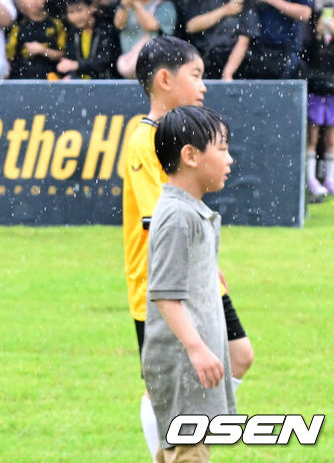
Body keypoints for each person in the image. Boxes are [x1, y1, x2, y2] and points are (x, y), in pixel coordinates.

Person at [121, 36, 252, 459]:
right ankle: (174, 442)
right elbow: (160, 216)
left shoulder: (182, 137)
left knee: (239, 356)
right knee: (171, 387)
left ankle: (186, 436)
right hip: (161, 291)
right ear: (164, 80)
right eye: (196, 75)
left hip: (198, 281)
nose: (204, 84)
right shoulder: (146, 141)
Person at [144, 105, 236, 461]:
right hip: (183, 365)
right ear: (190, 156)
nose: (229, 159)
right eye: (222, 148)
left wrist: (208, 270)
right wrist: (197, 349)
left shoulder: (191, 210)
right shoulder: (179, 215)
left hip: (191, 362)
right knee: (189, 451)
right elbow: (164, 295)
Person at [184, 0, 258, 79]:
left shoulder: (246, 2)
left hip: (234, 65)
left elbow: (243, 41)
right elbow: (191, 26)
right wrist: (224, 10)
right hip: (203, 63)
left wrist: (228, 73)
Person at [302, 5, 334, 197]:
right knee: (312, 137)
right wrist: (318, 39)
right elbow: (308, 60)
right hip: (316, 92)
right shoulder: (312, 41)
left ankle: (330, 179)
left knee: (332, 138)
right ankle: (311, 179)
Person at [114, 0, 177, 79]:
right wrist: (124, 4)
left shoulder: (166, 7)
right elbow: (118, 24)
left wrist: (134, 2)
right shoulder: (127, 5)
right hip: (128, 70)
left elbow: (151, 25)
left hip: (154, 71)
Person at [5, 0, 66, 79]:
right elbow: (9, 57)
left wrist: (43, 51)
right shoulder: (18, 26)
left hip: (51, 80)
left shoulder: (56, 24)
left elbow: (65, 55)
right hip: (22, 79)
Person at [56, 0, 118, 79]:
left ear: (91, 8)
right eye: (71, 12)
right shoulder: (73, 33)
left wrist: (77, 65)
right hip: (80, 86)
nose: (76, 16)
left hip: (105, 84)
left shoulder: (105, 29)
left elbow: (105, 62)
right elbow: (69, 60)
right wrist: (70, 75)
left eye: (79, 10)